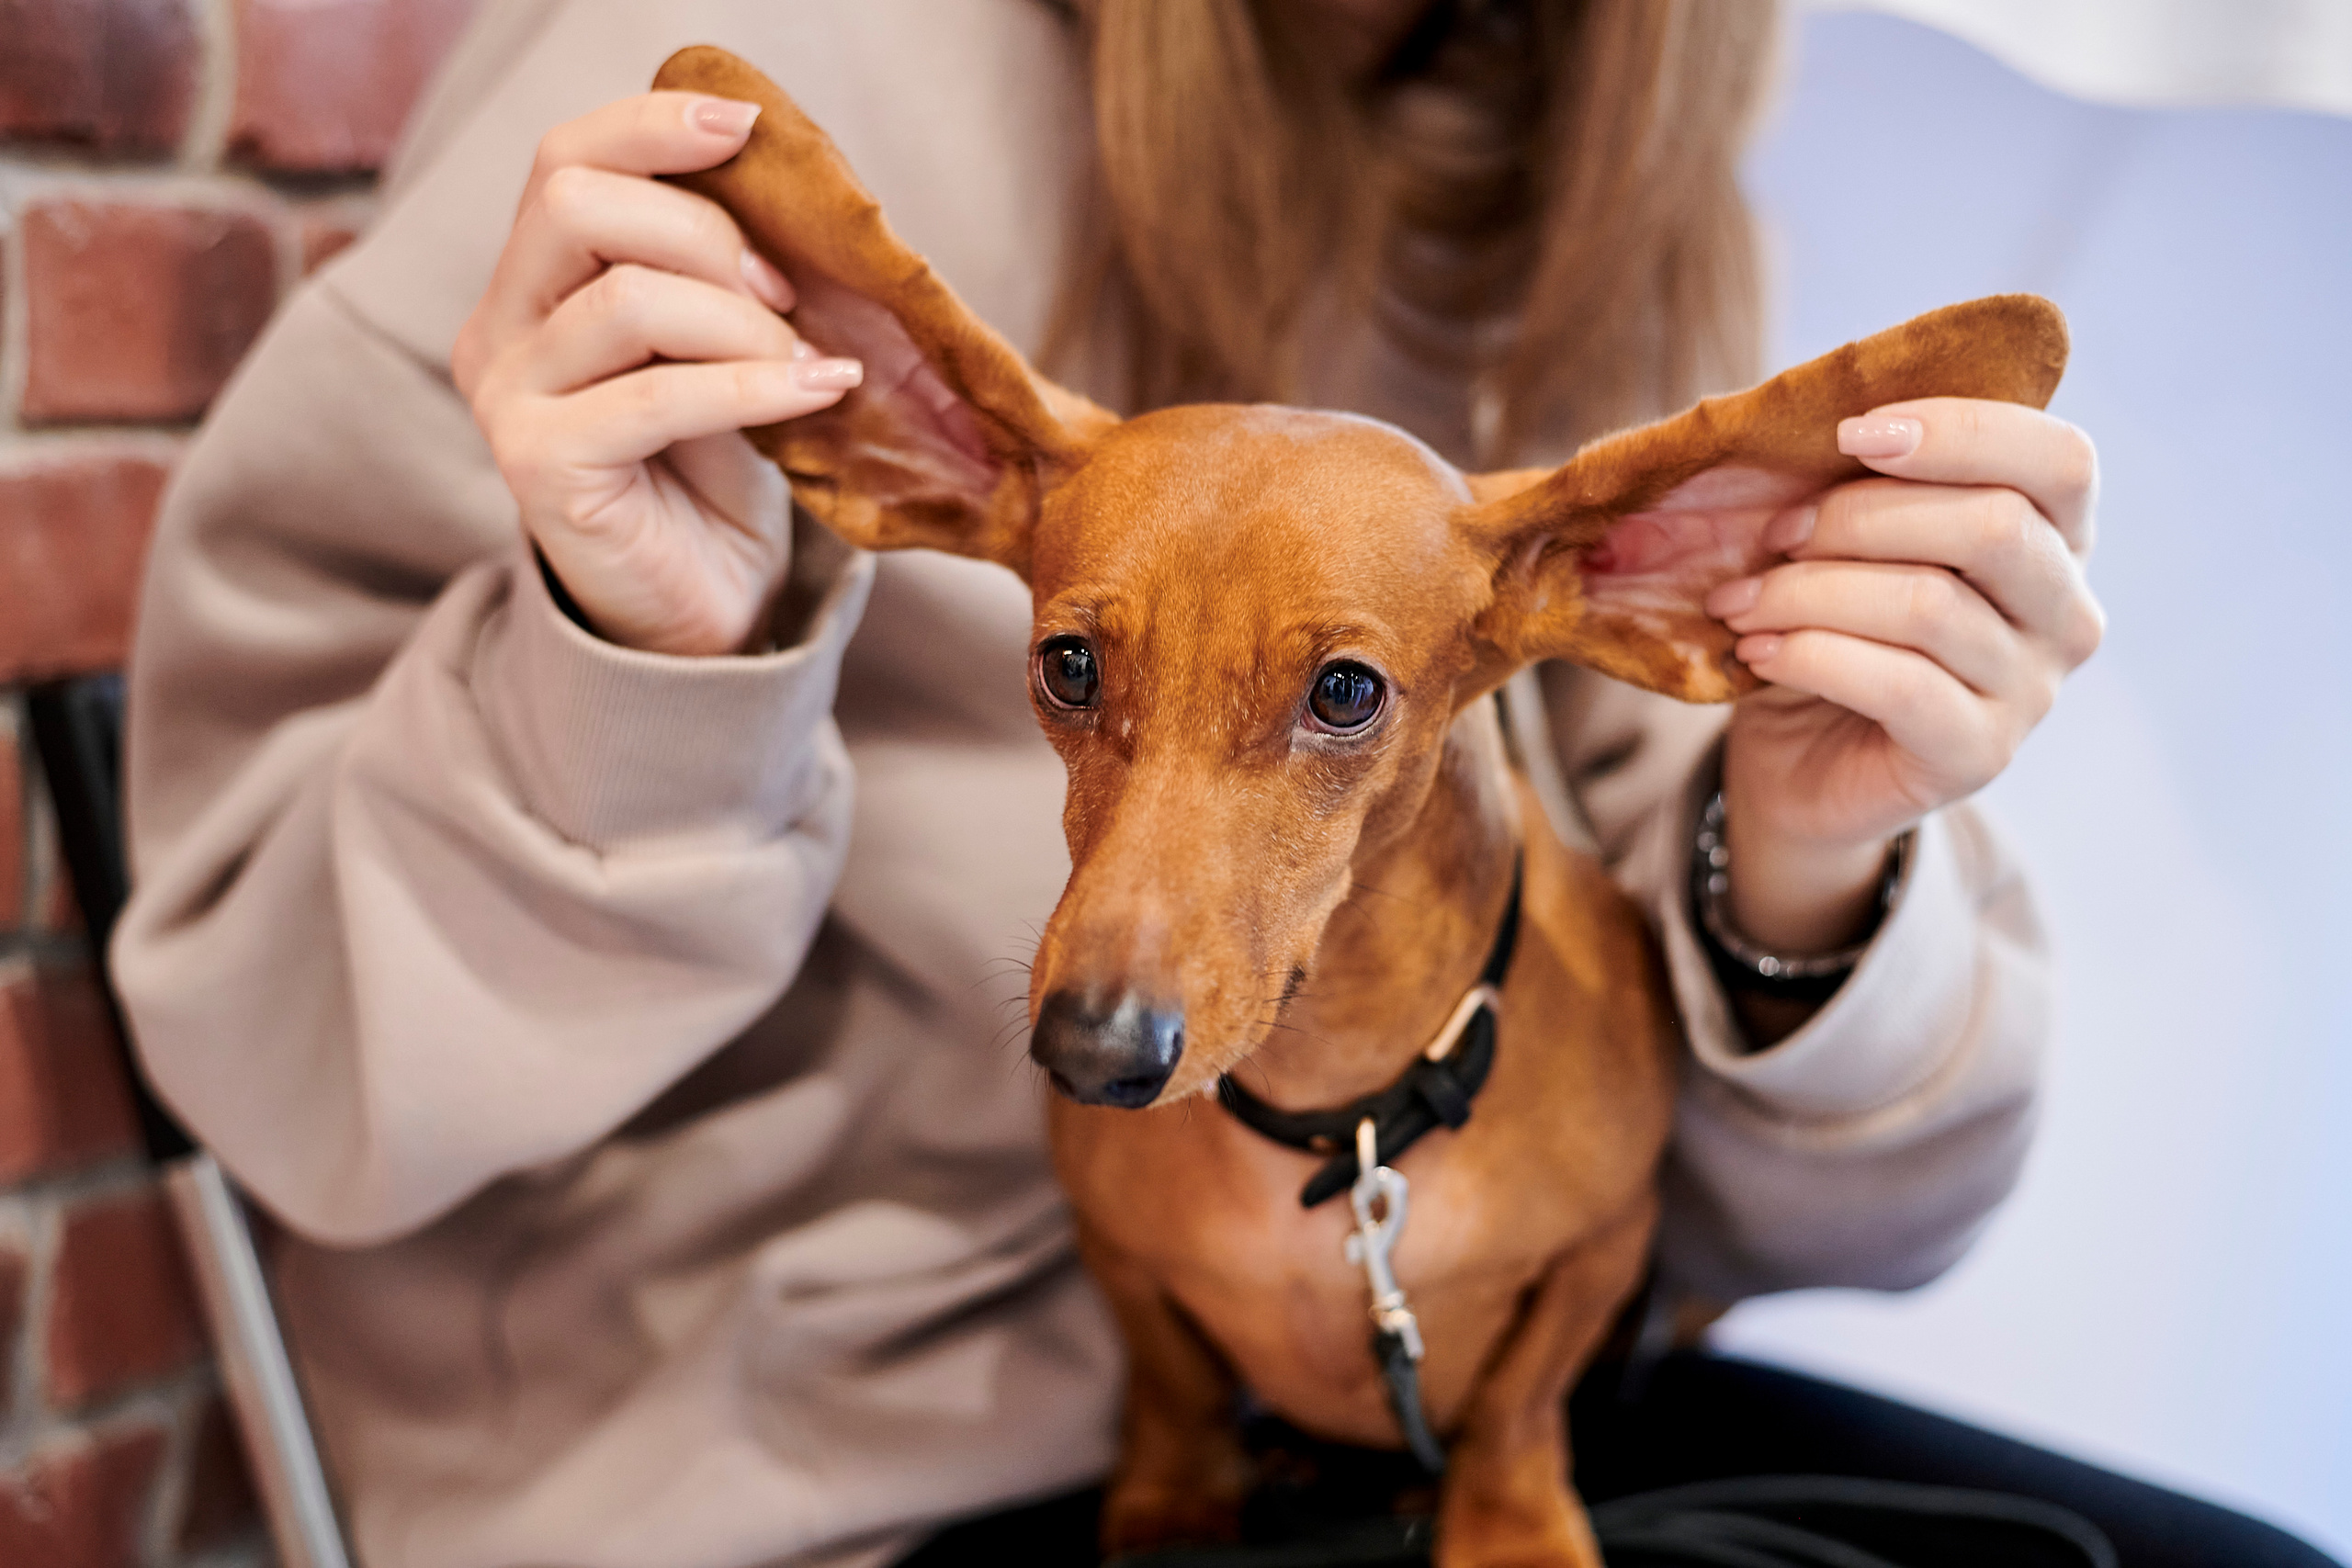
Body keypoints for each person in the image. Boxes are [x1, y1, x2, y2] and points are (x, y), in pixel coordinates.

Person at [109, 1, 2331, 1565]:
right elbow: (282, 1081)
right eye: (1068, 680)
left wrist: (1815, 856)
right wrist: (641, 658)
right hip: (812, 1475)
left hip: (1433, 1413)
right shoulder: (712, 129)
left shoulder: (1583, 186)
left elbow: (1772, 1206)